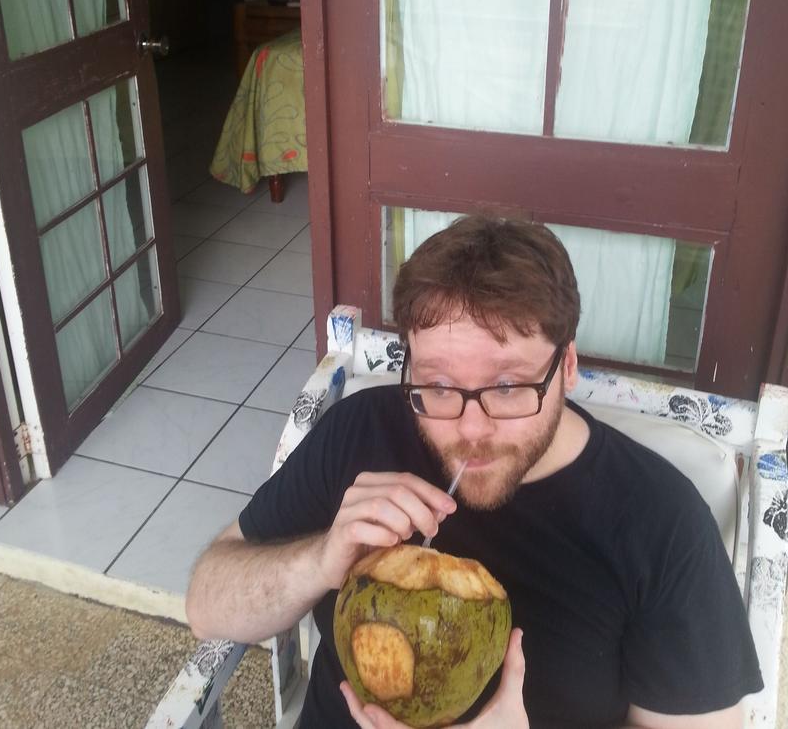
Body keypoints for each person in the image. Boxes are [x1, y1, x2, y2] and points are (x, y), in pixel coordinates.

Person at [186, 215, 763, 729]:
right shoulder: (359, 432)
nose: (470, 428)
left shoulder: (661, 524)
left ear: (566, 367)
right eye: (437, 385)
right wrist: (318, 561)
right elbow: (205, 603)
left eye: (509, 386)